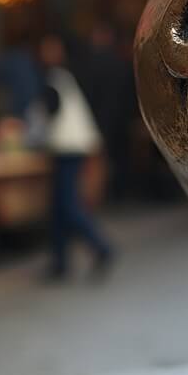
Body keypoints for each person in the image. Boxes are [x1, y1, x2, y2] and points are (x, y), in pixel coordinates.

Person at [34, 35, 113, 279]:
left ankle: (102, 247)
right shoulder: (64, 77)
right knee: (59, 207)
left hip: (67, 148)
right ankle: (60, 262)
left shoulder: (53, 79)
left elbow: (49, 114)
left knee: (67, 204)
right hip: (73, 146)